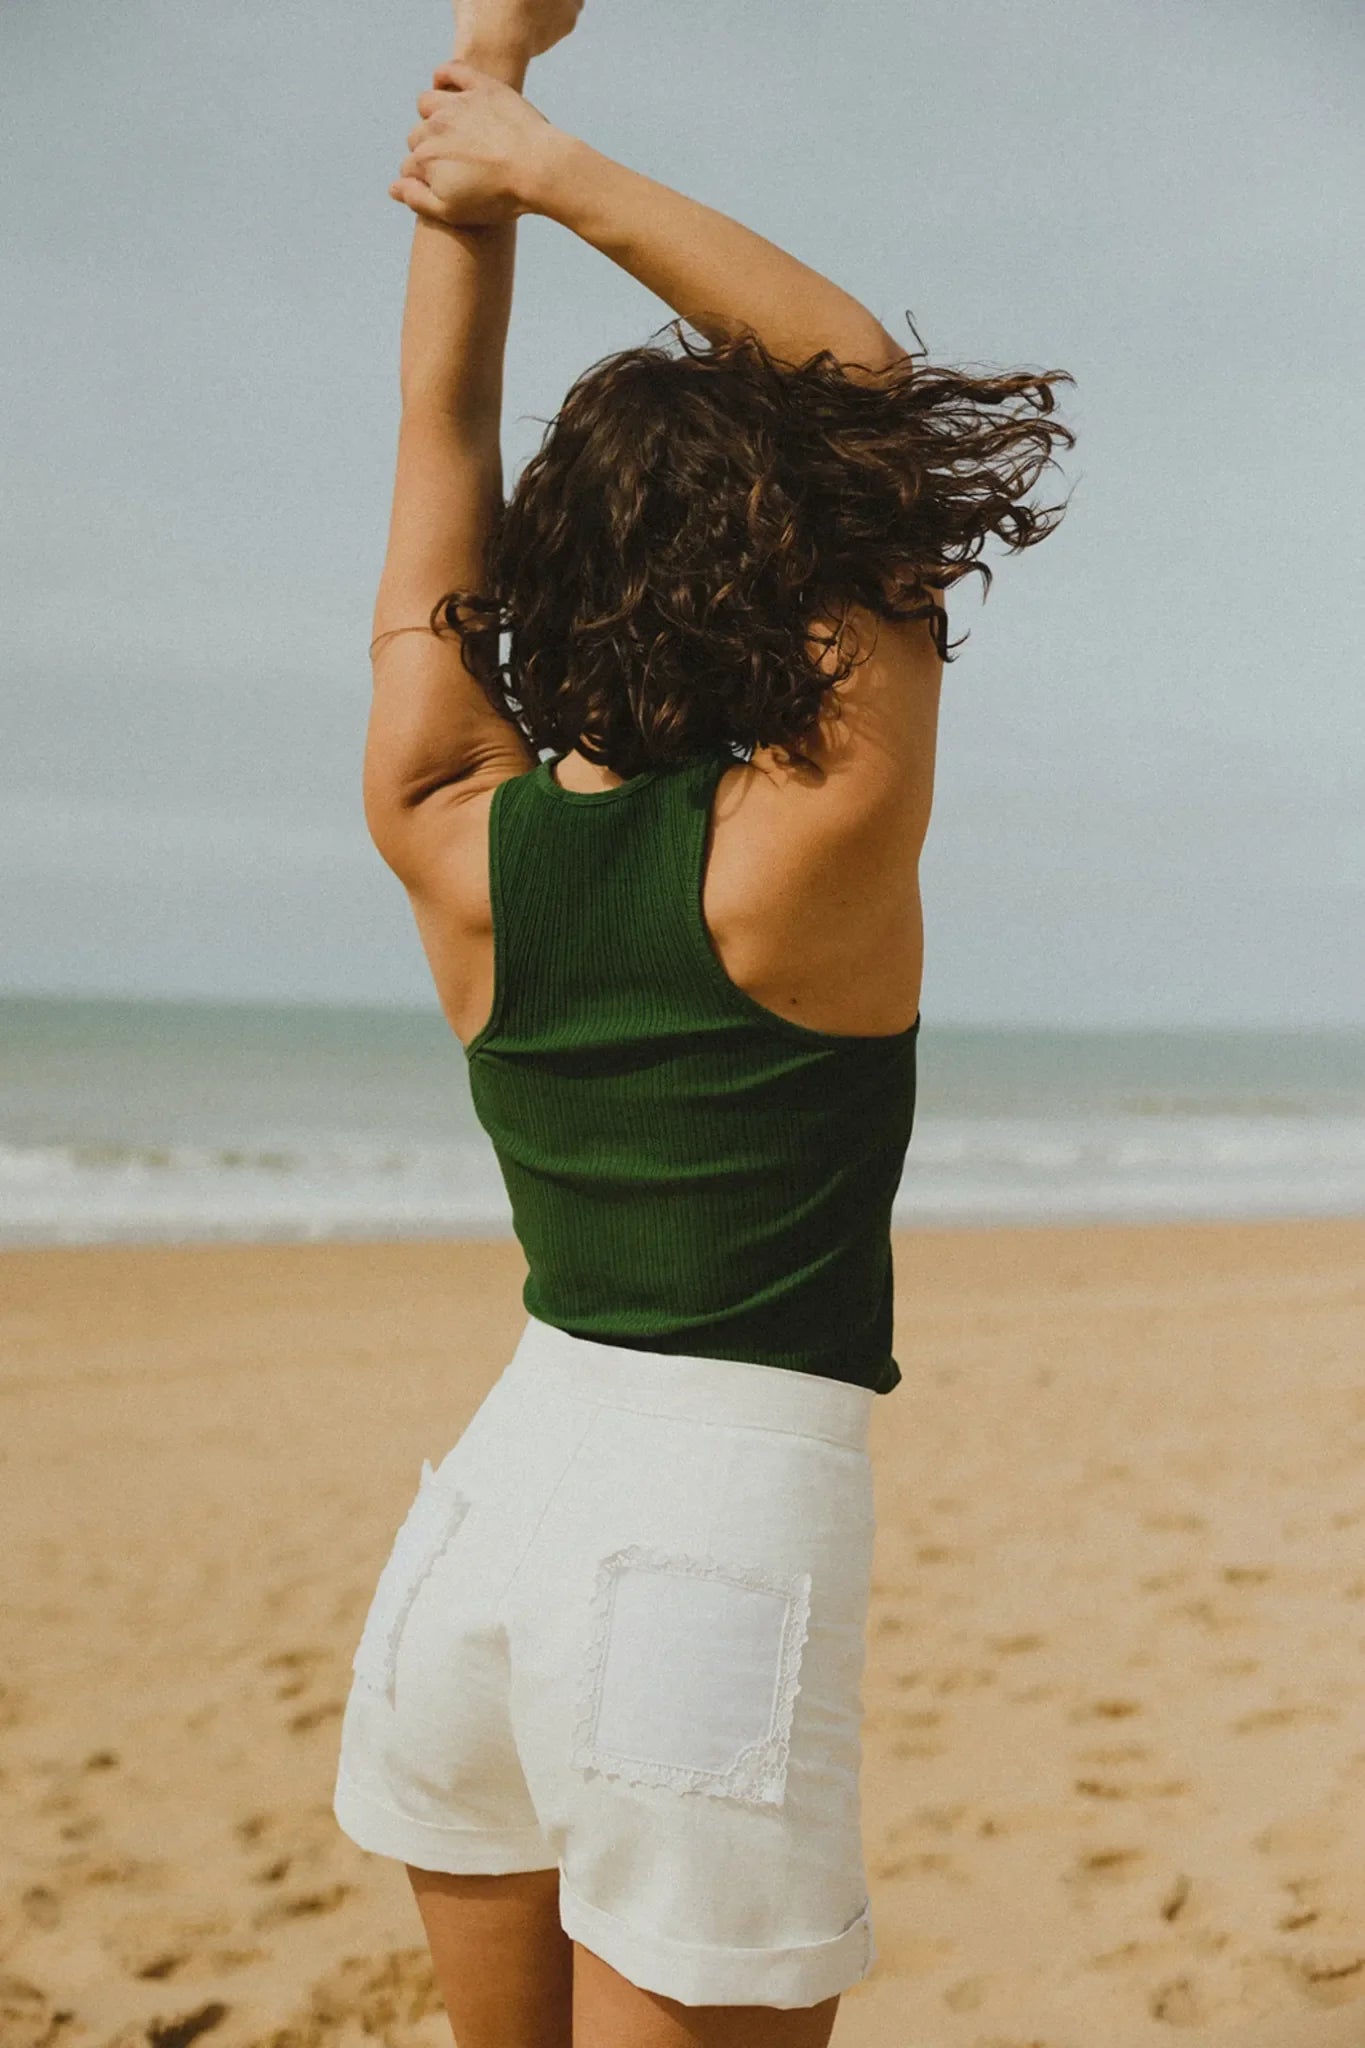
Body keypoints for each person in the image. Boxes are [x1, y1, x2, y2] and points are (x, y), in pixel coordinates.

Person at [332, 4, 1075, 2043]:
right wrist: (542, 160)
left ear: (541, 583)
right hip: (712, 1549)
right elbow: (859, 388)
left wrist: (478, 101)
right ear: (780, 573)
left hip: (478, 1524)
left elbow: (431, 447)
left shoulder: (443, 830)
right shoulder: (811, 840)